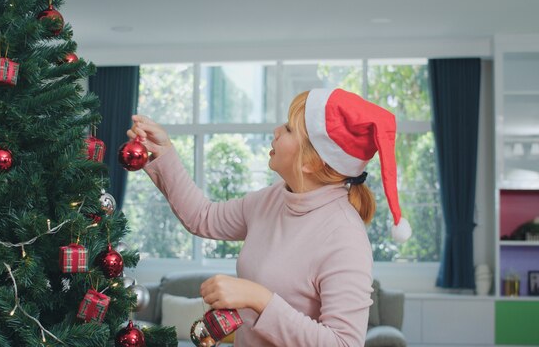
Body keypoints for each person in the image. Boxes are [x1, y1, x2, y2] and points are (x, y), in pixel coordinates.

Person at [126, 88, 411, 346]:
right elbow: (203, 216)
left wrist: (259, 299)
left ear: (312, 162)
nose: (276, 130)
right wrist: (163, 153)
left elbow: (343, 343)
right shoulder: (273, 199)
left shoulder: (344, 236)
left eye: (288, 128)